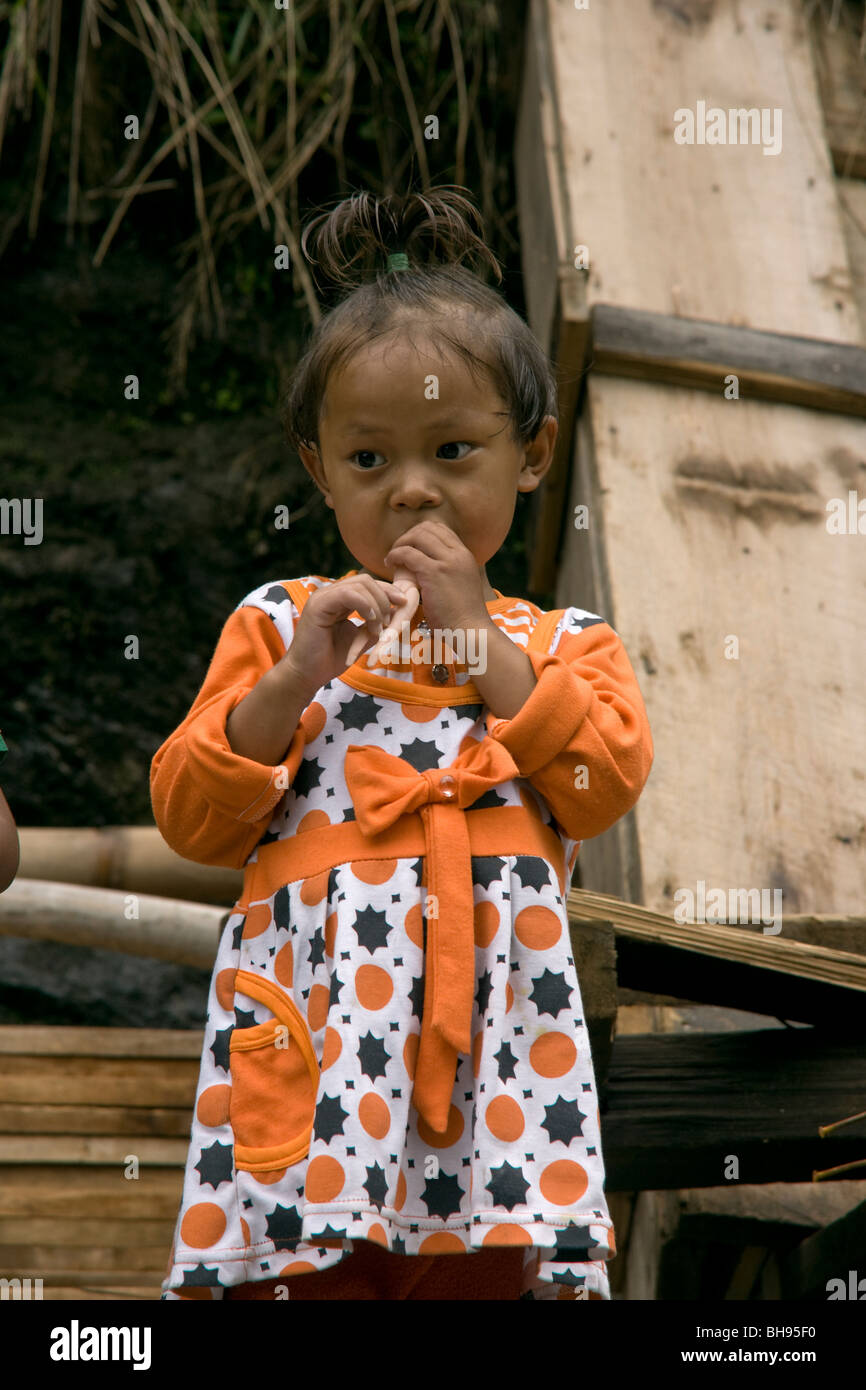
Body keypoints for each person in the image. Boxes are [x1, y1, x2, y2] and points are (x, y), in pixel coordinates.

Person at [150, 186, 654, 1301]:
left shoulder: (561, 643)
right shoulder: (281, 622)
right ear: (317, 468)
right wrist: (291, 683)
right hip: (319, 1046)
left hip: (496, 1058)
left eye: (452, 450)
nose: (411, 486)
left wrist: (482, 645)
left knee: (483, 1267)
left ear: (531, 456)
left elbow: (601, 781)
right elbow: (190, 817)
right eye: (368, 460)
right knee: (314, 1266)